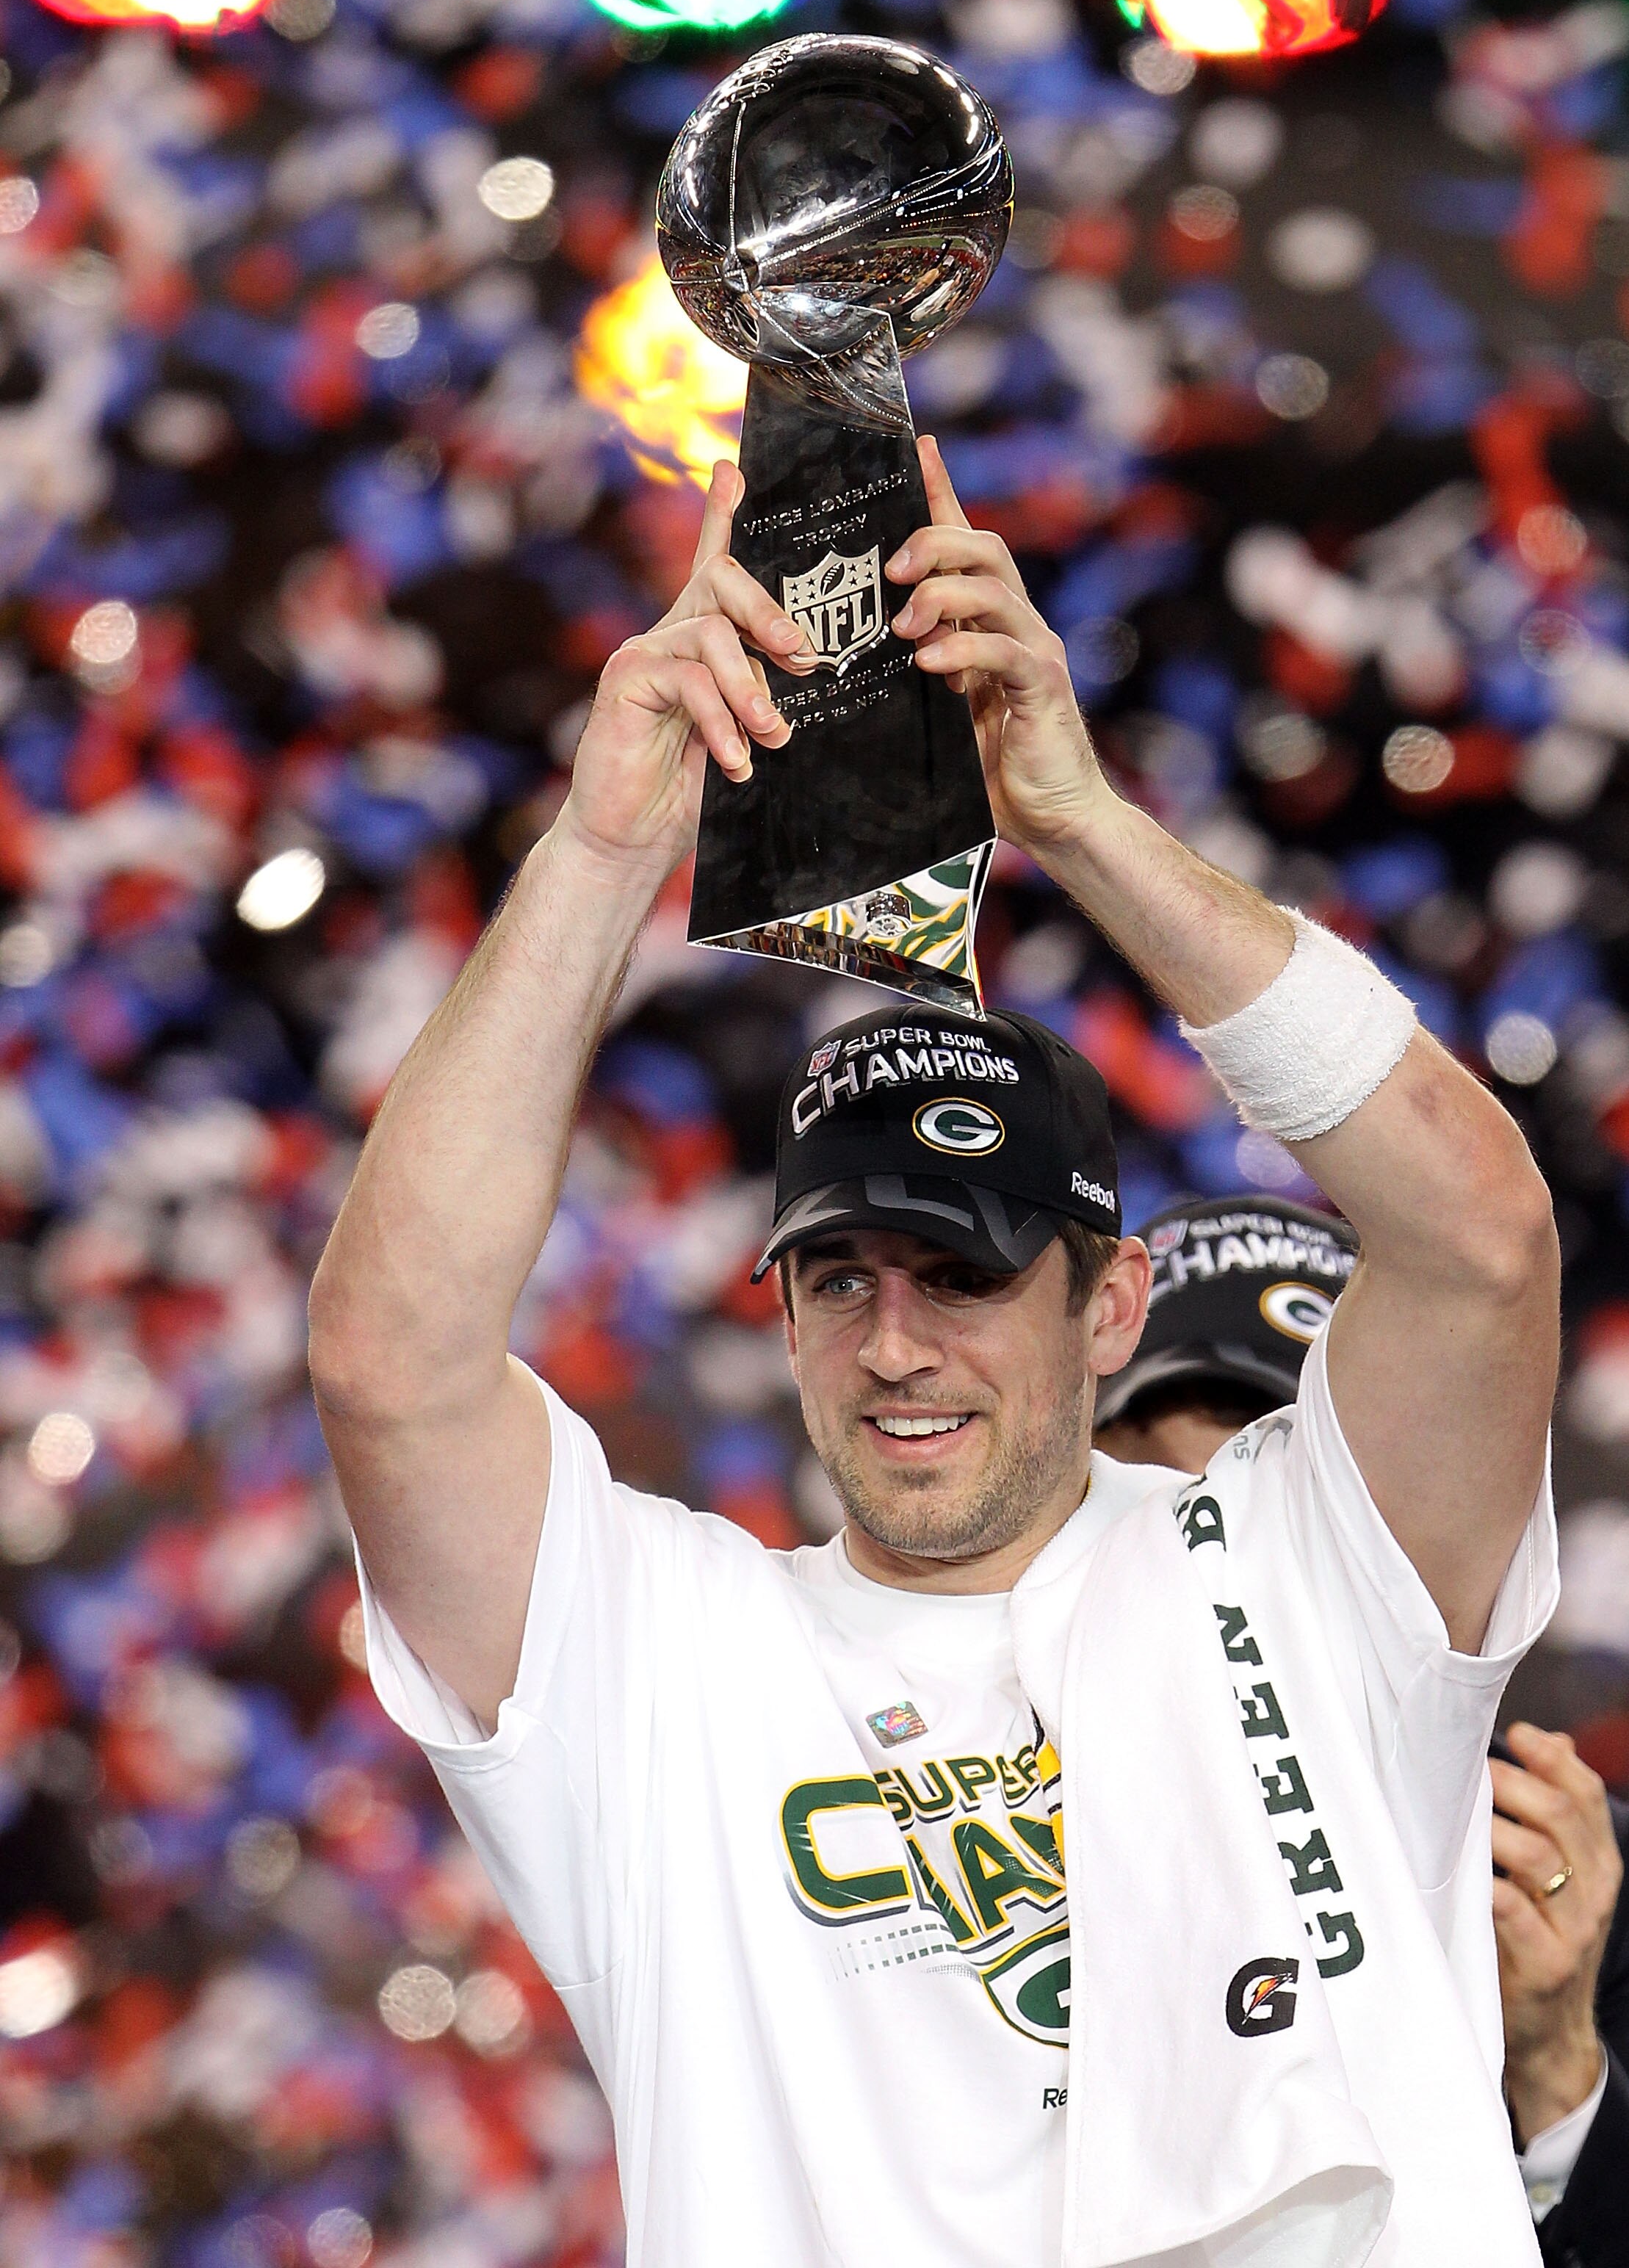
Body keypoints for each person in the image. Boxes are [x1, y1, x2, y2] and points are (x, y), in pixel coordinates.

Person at [308, 438, 1562, 2268]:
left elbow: (1480, 1232)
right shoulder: (673, 1658)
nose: (893, 1343)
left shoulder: (1307, 1566)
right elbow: (386, 1362)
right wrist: (603, 851)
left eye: (961, 1275)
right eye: (839, 1277)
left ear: (1110, 1305)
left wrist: (1079, 822)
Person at [1097, 1193, 1628, 2268]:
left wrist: (1555, 2071)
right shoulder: (977, 1812)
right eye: (1186, 1492)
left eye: (1305, 1497)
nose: (1224, 1545)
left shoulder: (1566, 1875)